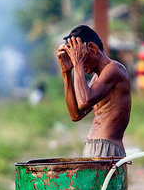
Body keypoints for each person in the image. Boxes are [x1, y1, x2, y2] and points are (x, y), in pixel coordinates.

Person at [56, 25, 131, 158]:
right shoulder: (97, 78)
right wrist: (66, 72)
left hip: (107, 148)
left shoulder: (114, 69)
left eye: (80, 55)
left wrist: (78, 63)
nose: (81, 65)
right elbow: (76, 115)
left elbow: (84, 101)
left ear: (92, 48)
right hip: (94, 147)